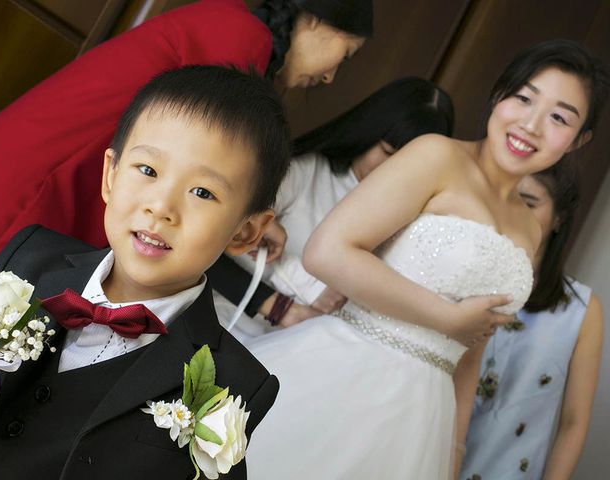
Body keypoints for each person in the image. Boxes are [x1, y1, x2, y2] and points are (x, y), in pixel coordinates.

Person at [243, 39, 609, 480]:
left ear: (579, 139)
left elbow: (471, 355)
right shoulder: (437, 155)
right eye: (524, 98)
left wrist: (453, 452)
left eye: (558, 117)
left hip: (425, 417)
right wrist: (445, 316)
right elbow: (328, 251)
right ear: (499, 96)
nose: (531, 124)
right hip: (344, 372)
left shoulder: (529, 229)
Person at [0, 65, 291, 480]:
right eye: (148, 170)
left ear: (246, 232)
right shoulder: (29, 259)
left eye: (202, 193)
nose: (161, 207)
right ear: (110, 175)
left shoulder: (232, 386)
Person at [0, 0, 372, 267]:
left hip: (49, 162)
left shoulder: (234, 28)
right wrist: (245, 218)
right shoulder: (242, 36)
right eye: (347, 54)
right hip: (47, 174)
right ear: (318, 16)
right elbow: (206, 156)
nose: (331, 75)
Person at [211, 77, 454, 338]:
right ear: (369, 131)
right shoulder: (306, 172)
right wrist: (304, 293)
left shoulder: (412, 220)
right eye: (387, 151)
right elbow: (222, 235)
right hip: (231, 324)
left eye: (407, 164)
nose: (391, 170)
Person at [460, 163, 604, 480]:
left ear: (558, 219)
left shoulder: (581, 310)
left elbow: (574, 422)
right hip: (432, 453)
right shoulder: (460, 274)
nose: (513, 211)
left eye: (529, 202)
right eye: (506, 197)